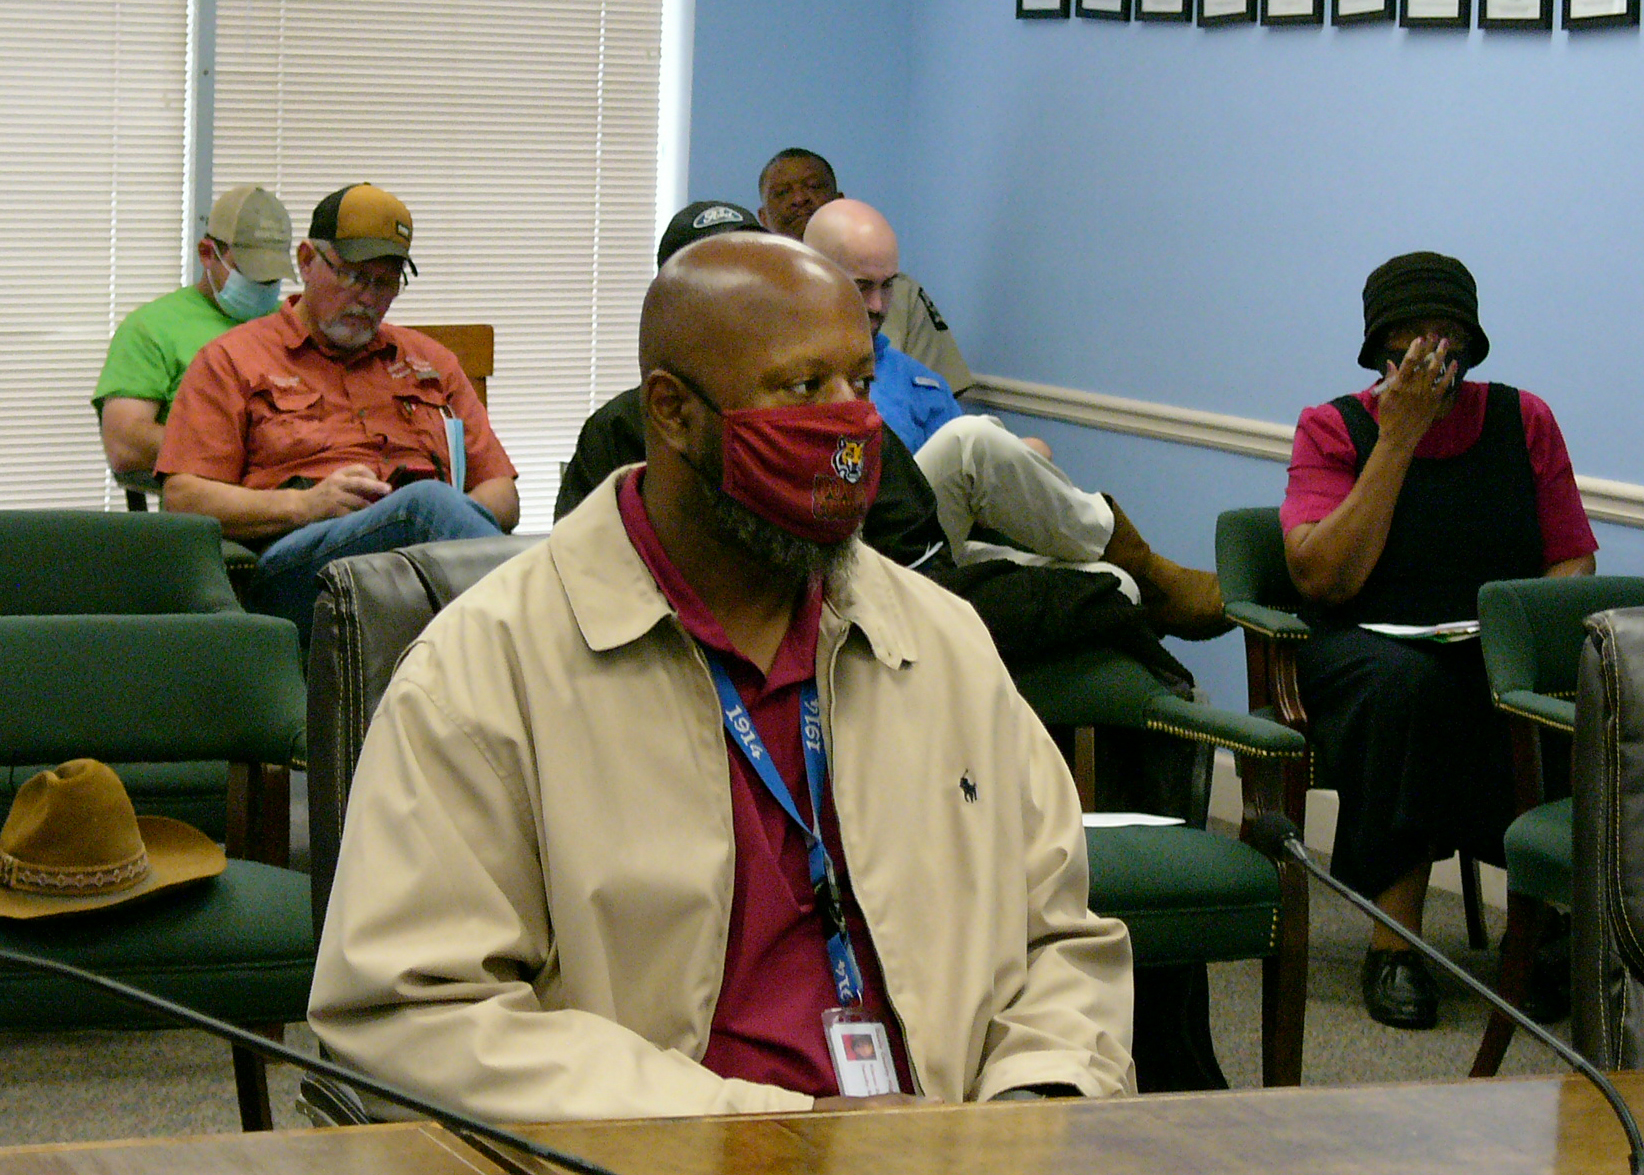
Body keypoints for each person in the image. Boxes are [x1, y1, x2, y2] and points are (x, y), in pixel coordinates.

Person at [308, 231, 1136, 1121]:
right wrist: (772, 1132)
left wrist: (1034, 1102)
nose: (850, 428)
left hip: (956, 1144)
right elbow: (413, 1016)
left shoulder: (941, 641)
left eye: (859, 383)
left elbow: (1061, 940)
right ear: (672, 411)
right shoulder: (483, 672)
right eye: (803, 387)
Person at [1282, 251, 1597, 1030]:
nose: (1430, 360)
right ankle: (1394, 945)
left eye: (1445, 338)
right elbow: (1322, 577)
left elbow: (1572, 560)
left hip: (1484, 643)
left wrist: (1523, 638)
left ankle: (1543, 926)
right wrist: (1397, 439)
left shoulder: (1524, 419)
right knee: (1409, 686)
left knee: (1551, 687)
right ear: (1381, 354)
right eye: (1410, 343)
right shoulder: (1333, 427)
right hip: (1362, 642)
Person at [802, 198, 1227, 641]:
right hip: (850, 551)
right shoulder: (792, 371)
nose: (878, 305)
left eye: (888, 286)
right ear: (813, 275)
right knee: (971, 440)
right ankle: (1150, 569)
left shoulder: (918, 381)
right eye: (862, 286)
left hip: (926, 547)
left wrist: (1018, 462)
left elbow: (961, 502)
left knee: (1113, 583)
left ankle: (1142, 578)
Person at [156, 183, 518, 643]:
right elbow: (183, 498)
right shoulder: (233, 360)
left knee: (442, 515)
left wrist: (447, 520)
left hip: (426, 554)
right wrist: (305, 506)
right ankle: (533, 627)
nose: (367, 298)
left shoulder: (431, 363)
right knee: (425, 507)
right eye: (353, 276)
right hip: (300, 560)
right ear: (307, 260)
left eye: (385, 282)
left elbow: (502, 495)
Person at [93, 185, 297, 483]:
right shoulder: (153, 328)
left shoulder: (293, 325)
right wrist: (241, 449)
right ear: (207, 254)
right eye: (250, 273)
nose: (261, 286)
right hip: (215, 496)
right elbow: (125, 445)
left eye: (271, 277)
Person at [756, 148, 974, 395]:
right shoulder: (752, 298)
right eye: (782, 192)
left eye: (813, 186)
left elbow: (943, 393)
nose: (799, 199)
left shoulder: (898, 291)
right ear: (763, 217)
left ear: (839, 201)